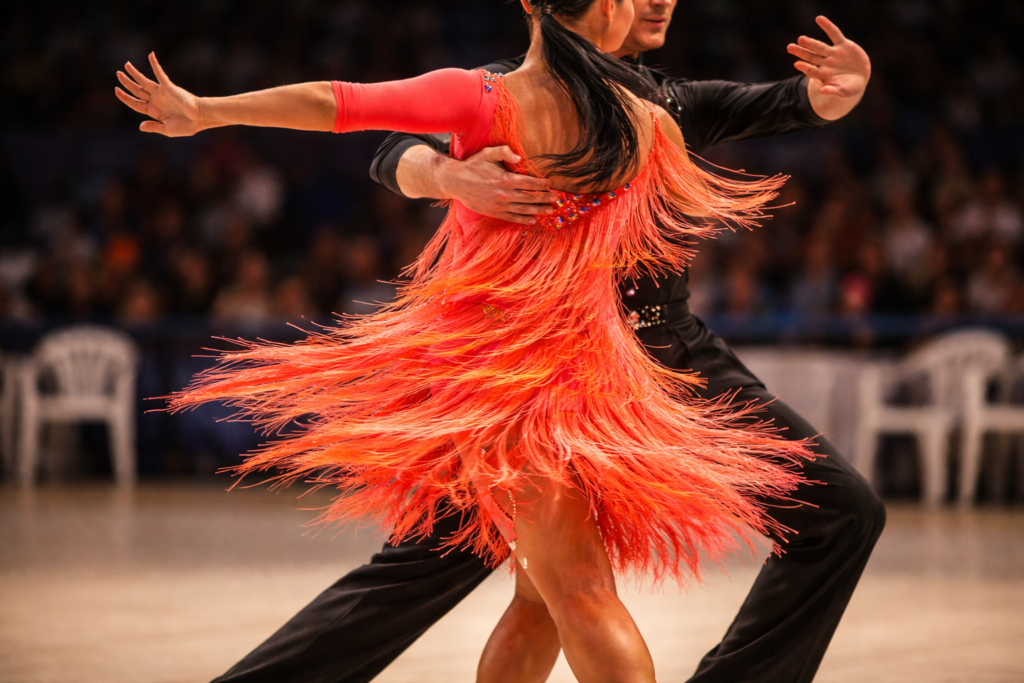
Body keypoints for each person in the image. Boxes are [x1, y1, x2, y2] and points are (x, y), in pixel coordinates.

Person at [115, 5, 880, 683]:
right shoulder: (641, 121)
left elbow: (342, 107)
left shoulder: (616, 103)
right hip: (559, 374)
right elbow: (390, 149)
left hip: (608, 362)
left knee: (555, 589)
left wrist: (209, 110)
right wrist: (447, 175)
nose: (655, 1)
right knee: (523, 584)